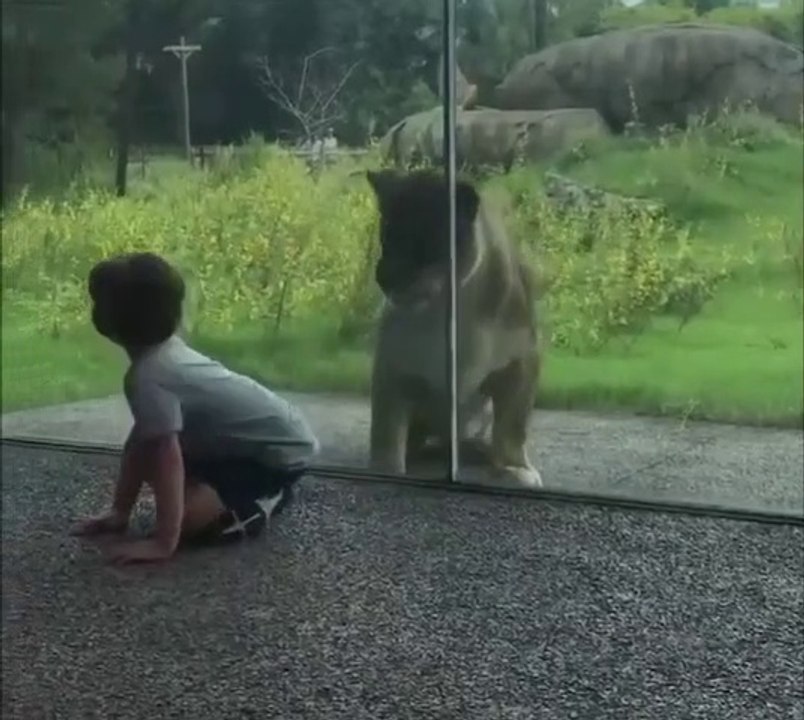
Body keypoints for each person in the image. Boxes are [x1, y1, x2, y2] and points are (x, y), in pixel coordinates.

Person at [71, 252, 320, 565]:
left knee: (188, 520)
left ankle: (267, 497)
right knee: (160, 466)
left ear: (104, 322)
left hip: (277, 457)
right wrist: (119, 512)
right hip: (257, 440)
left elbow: (167, 457)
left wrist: (164, 542)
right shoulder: (165, 354)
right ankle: (217, 494)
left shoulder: (149, 377)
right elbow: (142, 442)